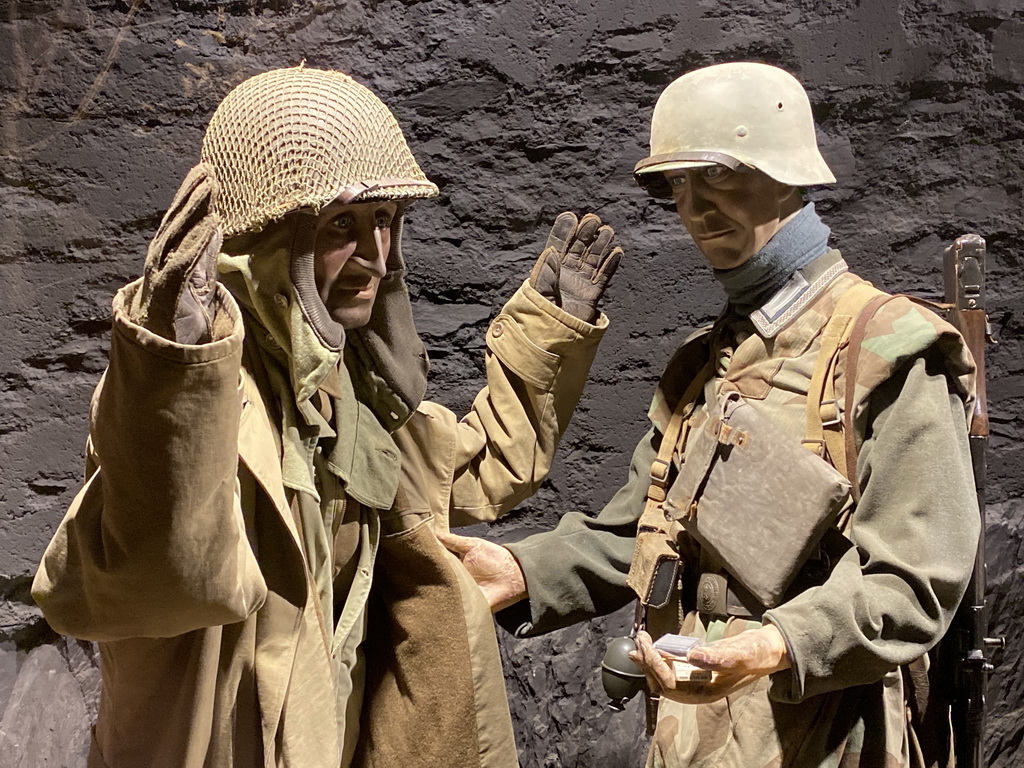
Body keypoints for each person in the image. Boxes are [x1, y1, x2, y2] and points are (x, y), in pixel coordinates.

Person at [31, 65, 622, 768]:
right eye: (343, 223)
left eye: (385, 221)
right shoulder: (192, 410)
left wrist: (549, 331)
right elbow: (147, 581)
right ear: (269, 239)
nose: (376, 257)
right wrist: (173, 380)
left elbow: (468, 471)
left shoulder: (351, 398)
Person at [441, 62, 980, 767]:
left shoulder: (888, 350)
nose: (694, 206)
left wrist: (774, 645)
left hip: (823, 738)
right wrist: (522, 570)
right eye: (677, 185)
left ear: (785, 171)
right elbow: (637, 531)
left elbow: (914, 579)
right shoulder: (703, 362)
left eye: (717, 175)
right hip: (693, 735)